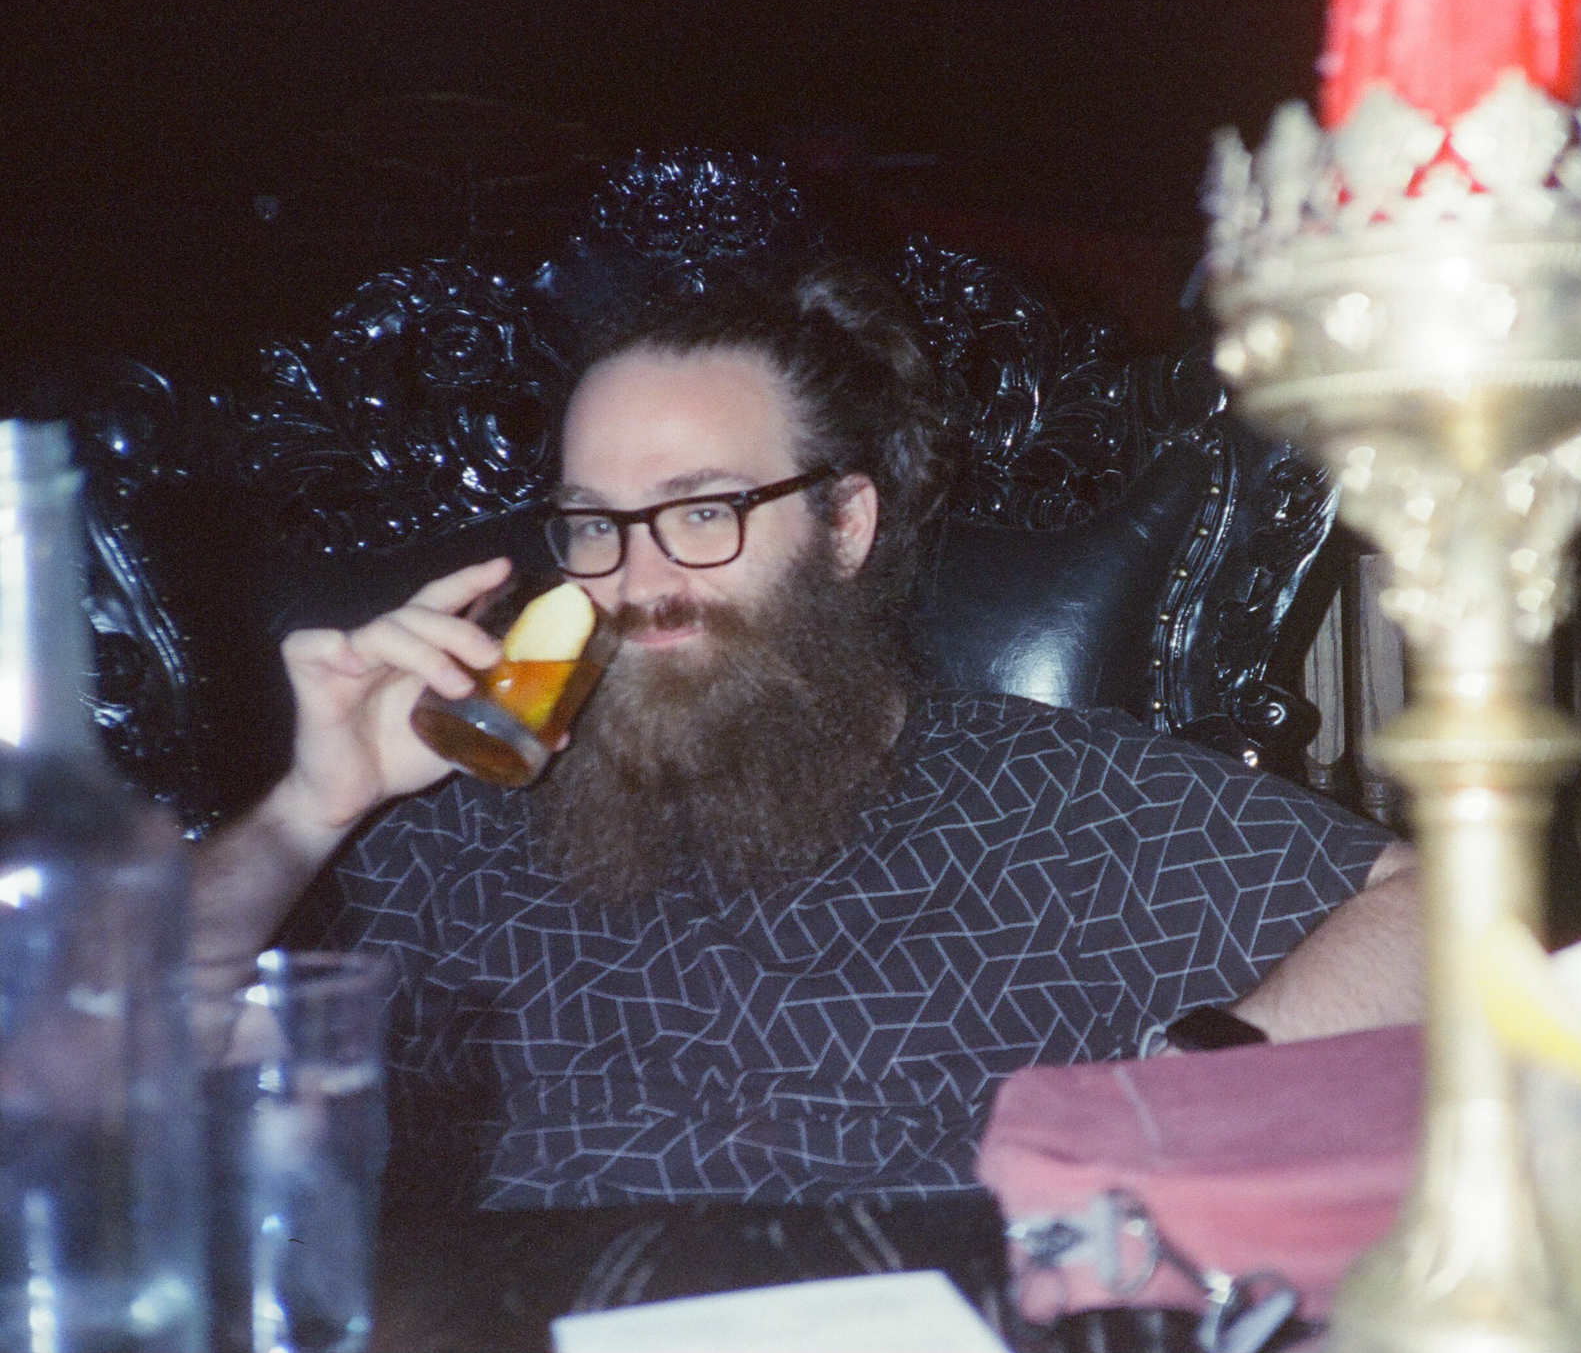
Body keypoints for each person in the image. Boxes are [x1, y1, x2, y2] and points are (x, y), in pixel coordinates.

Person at [190, 258, 1423, 1209]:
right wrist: (309, 806)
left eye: (703, 511)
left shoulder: (1065, 802)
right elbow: (69, 1063)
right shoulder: (444, 831)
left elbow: (1461, 912)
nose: (637, 577)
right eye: (593, 524)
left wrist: (1198, 1090)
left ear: (843, 523)